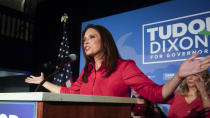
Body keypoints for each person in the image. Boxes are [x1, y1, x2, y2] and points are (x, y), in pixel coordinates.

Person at [25, 24, 210, 103]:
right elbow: (68, 91)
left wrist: (179, 75)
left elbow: (157, 94)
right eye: (83, 39)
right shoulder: (87, 70)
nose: (85, 42)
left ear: (105, 41)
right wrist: (43, 82)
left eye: (91, 37)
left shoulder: (125, 67)